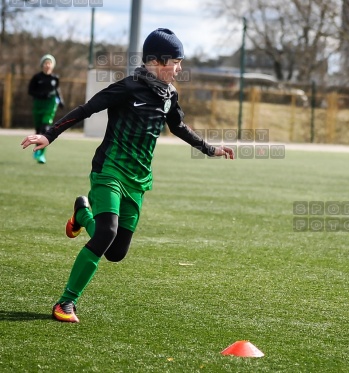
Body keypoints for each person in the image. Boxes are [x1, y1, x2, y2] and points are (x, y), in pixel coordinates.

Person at [21, 28, 235, 323]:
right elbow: (86, 109)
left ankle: (82, 214)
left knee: (116, 252)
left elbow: (178, 127)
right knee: (107, 233)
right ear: (159, 61)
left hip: (138, 180)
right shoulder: (128, 87)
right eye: (176, 61)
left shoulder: (170, 94)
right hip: (109, 170)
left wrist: (210, 149)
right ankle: (66, 302)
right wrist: (49, 135)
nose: (180, 68)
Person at [28, 54, 65, 164]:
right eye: (45, 63)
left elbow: (57, 90)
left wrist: (61, 100)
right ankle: (37, 150)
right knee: (38, 130)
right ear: (42, 65)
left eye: (49, 63)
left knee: (45, 128)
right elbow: (30, 91)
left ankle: (42, 154)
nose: (47, 65)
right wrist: (41, 94)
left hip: (50, 105)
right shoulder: (36, 78)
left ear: (52, 65)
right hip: (38, 105)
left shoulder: (55, 78)